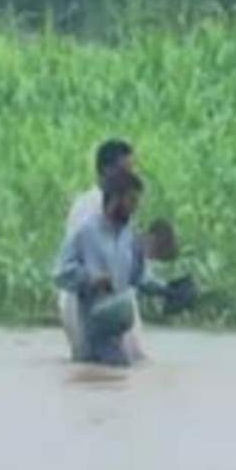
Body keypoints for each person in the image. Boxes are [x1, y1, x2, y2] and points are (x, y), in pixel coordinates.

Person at [54, 171, 168, 367]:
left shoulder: (129, 237)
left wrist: (166, 290)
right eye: (132, 201)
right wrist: (91, 278)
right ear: (115, 199)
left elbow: (138, 278)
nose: (135, 208)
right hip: (90, 333)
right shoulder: (86, 232)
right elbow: (60, 274)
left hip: (119, 332)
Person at [58, 140, 145, 361]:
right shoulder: (90, 210)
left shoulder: (122, 215)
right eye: (126, 169)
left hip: (117, 305)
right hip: (89, 306)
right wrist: (92, 279)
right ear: (107, 170)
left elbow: (132, 270)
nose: (132, 175)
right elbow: (65, 270)